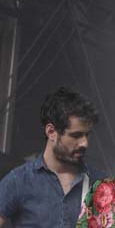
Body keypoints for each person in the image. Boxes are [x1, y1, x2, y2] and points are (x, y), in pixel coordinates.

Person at [0, 87, 106, 227]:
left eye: (87, 134)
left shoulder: (101, 183)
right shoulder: (18, 181)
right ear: (51, 132)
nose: (85, 143)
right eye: (76, 135)